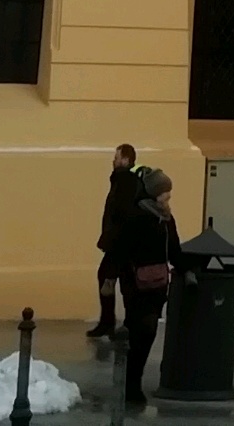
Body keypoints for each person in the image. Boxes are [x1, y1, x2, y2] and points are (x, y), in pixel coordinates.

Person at [118, 166, 178, 411]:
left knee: (147, 333)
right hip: (136, 285)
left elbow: (174, 250)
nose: (168, 197)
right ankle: (130, 385)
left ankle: (132, 382)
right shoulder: (137, 216)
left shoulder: (165, 218)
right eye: (165, 192)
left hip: (156, 285)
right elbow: (122, 250)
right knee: (139, 333)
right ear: (154, 194)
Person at [90, 142, 140, 339]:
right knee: (115, 280)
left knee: (117, 281)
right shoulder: (121, 180)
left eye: (117, 157)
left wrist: (112, 239)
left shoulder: (126, 182)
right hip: (119, 242)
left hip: (121, 244)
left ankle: (114, 323)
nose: (114, 160)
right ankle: (114, 323)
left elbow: (120, 215)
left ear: (126, 160)